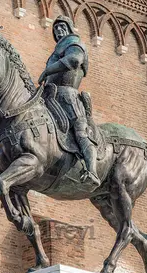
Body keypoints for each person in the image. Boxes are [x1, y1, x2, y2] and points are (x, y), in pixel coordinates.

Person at [38, 15, 100, 187]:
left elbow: (74, 60)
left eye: (61, 27)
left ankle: (92, 171)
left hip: (68, 95)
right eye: (55, 28)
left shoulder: (74, 42)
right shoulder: (58, 49)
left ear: (69, 27)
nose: (58, 31)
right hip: (50, 95)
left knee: (81, 131)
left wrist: (48, 70)